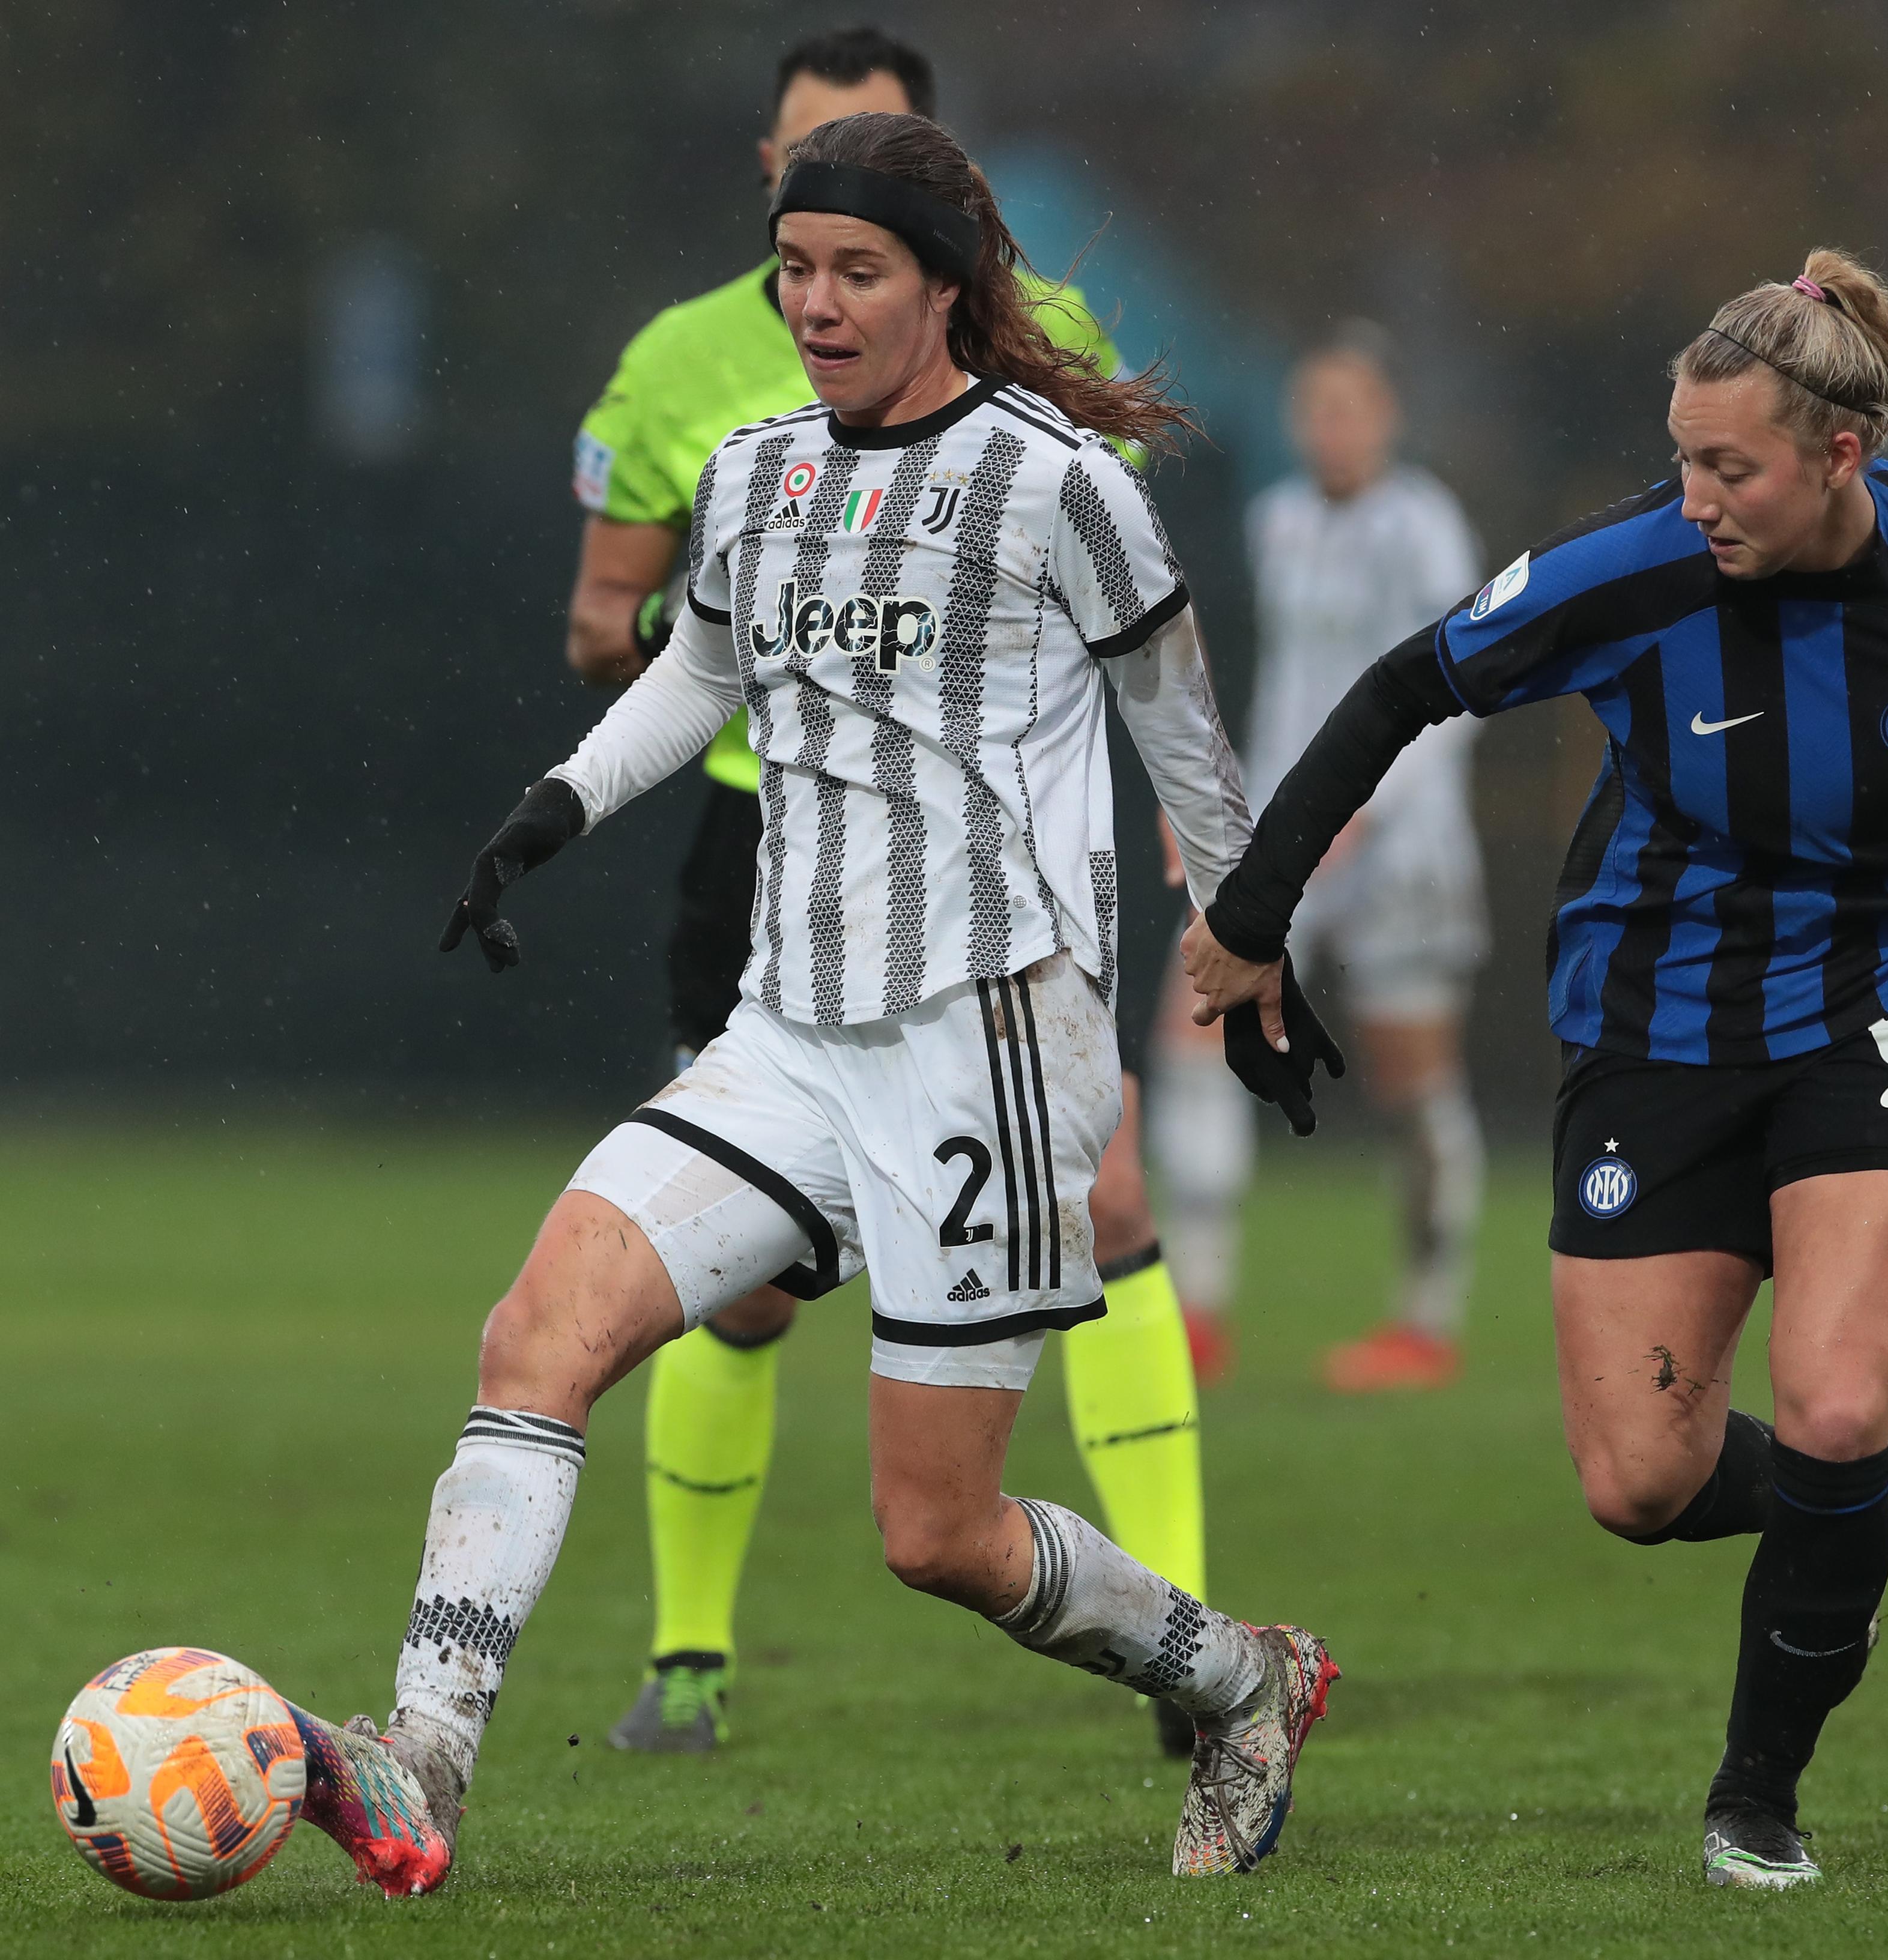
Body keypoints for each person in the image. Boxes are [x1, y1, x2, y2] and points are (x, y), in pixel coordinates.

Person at [295, 110, 1336, 1899]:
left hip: (987, 1044)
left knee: (935, 1537)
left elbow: (1185, 733)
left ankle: (1246, 1679)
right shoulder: (760, 469)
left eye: (856, 271)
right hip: (786, 1034)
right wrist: (553, 811)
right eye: (796, 268)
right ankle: (424, 1760)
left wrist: (1251, 949)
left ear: (948, 285)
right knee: (535, 1340)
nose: (816, 303)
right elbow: (695, 673)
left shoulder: (1057, 485)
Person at [1184, 250, 1888, 1888]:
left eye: (1729, 467)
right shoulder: (1633, 570)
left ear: (1839, 457)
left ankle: (1758, 1802)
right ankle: (1841, 1517)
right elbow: (1402, 687)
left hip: (1875, 1022)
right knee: (1640, 1481)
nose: (1697, 498)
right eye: (1681, 459)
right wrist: (1253, 920)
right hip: (1652, 1031)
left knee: (1828, 1402)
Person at [566, 28, 1209, 1761]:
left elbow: (1099, 620)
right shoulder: (690, 366)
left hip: (990, 906)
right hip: (760, 859)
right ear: (764, 176)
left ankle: (1187, 1632)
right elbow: (604, 617)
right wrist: (759, 623)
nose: (824, 280)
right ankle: (689, 1656)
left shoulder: (1049, 345)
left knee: (1116, 1199)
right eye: (804, 185)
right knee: (740, 1289)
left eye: (872, 176)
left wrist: (1186, 837)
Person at [1151, 328, 1487, 1391]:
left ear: (1386, 417)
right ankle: (1198, 1311)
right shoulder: (1280, 520)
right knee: (1193, 1018)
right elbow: (1280, 685)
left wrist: (1372, 810)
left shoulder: (1424, 527)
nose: (1328, 430)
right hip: (1289, 831)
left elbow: (1464, 691)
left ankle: (1426, 1323)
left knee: (1411, 1080)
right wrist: (1219, 804)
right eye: (1313, 409)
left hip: (1404, 843)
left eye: (1348, 408)